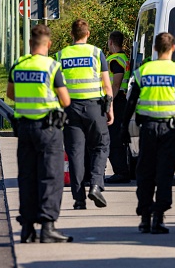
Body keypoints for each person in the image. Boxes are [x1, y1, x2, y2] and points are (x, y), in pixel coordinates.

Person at [121, 32, 175, 234]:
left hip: (148, 130)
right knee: (164, 174)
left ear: (154, 48)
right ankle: (159, 218)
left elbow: (131, 102)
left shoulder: (143, 71)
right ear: (173, 48)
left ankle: (145, 217)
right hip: (170, 130)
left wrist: (123, 127)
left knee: (145, 173)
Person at [7, 24, 73, 244]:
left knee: (27, 176)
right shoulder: (51, 66)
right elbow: (65, 100)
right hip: (48, 130)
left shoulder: (19, 64)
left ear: (29, 44)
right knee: (50, 177)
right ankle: (47, 226)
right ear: (49, 44)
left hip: (25, 128)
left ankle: (27, 227)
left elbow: (11, 94)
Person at [56, 19, 114, 210]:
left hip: (70, 109)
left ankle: (79, 199)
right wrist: (110, 109)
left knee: (75, 154)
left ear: (71, 34)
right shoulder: (96, 53)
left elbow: (56, 86)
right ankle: (96, 184)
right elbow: (107, 85)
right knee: (100, 145)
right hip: (94, 108)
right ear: (87, 34)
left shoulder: (60, 55)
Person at [105, 30, 132, 184]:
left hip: (117, 100)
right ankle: (122, 170)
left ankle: (121, 172)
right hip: (122, 99)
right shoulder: (123, 58)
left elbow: (116, 83)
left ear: (111, 42)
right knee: (118, 137)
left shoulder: (115, 60)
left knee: (114, 138)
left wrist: (109, 102)